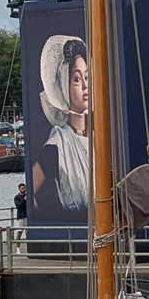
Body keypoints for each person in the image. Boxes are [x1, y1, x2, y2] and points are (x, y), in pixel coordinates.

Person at [32, 35, 90, 220]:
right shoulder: (57, 146)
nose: (85, 85)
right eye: (77, 79)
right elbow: (31, 192)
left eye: (87, 77)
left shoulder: (100, 136)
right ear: (64, 86)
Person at [13, 183, 27, 251]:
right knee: (19, 232)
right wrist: (24, 200)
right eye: (22, 188)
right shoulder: (17, 197)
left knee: (28, 232)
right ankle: (18, 248)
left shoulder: (27, 196)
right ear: (19, 189)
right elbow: (18, 206)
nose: (23, 190)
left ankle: (29, 247)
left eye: (24, 188)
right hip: (21, 216)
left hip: (27, 216)